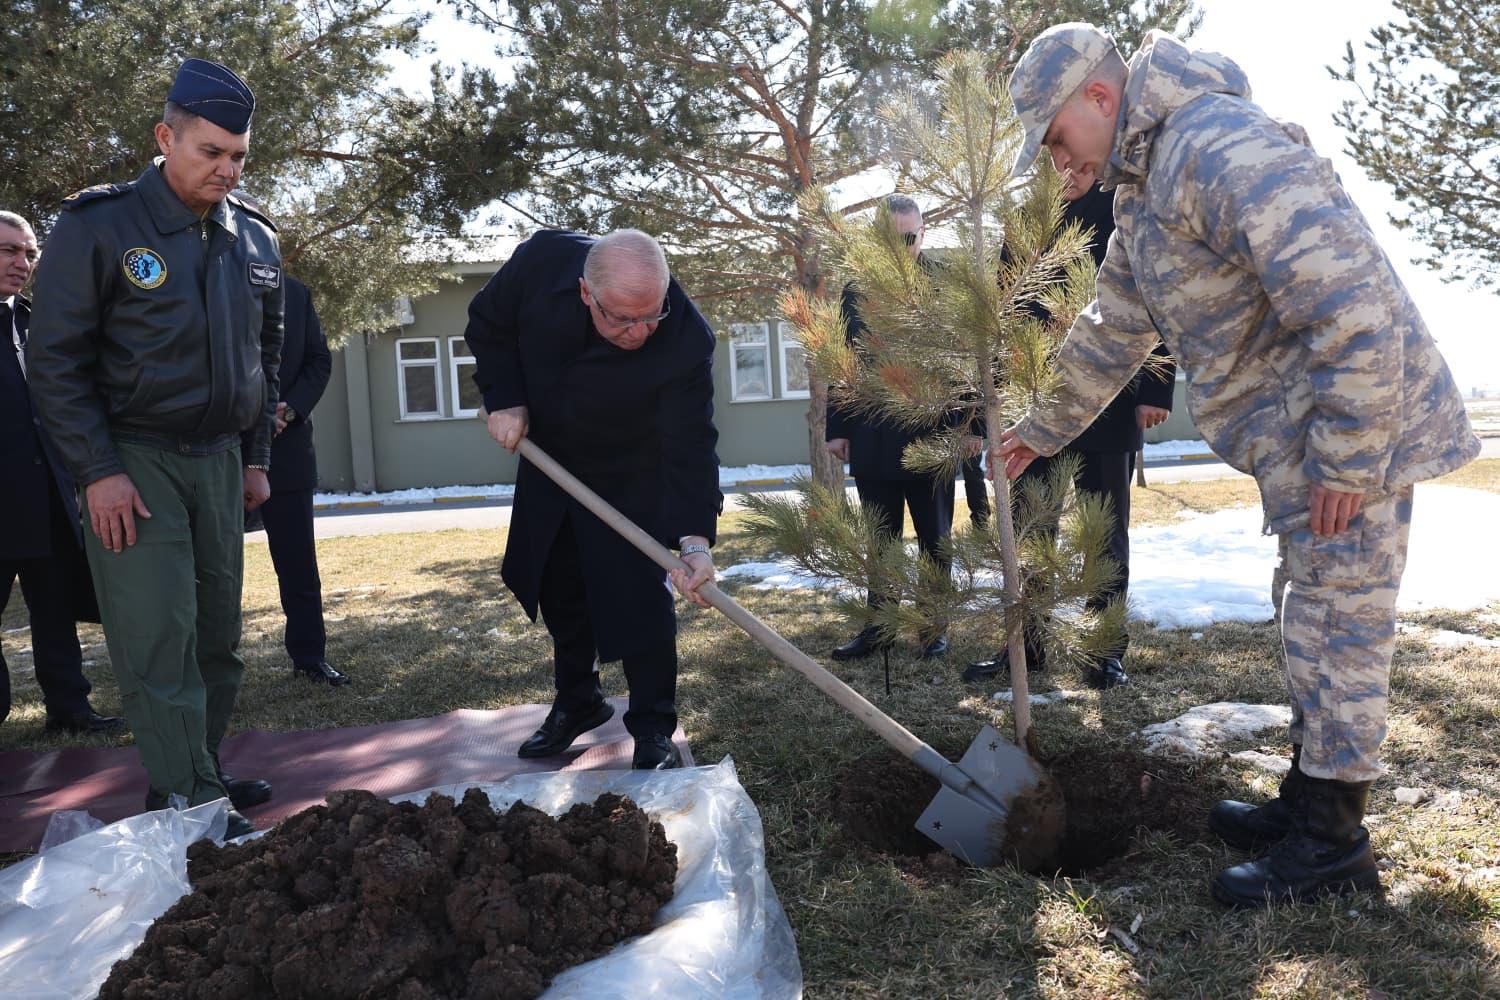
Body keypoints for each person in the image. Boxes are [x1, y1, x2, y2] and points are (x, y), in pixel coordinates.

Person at [998, 24, 1478, 907]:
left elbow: (1350, 301)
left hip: (1348, 436)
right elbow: (1113, 329)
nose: (1055, 163)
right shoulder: (1144, 189)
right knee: (1309, 613)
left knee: (1339, 625)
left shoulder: (1214, 148)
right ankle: (1310, 800)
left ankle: (1335, 849)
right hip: (1301, 442)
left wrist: (1344, 459)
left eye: (1056, 139)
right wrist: (1042, 428)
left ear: (1100, 100)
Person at [28, 59, 286, 839]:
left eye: (239, 155)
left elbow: (263, 355)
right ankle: (190, 797)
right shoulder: (98, 226)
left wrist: (256, 457)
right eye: (211, 151)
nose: (227, 169)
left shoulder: (254, 234)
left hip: (217, 460)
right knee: (157, 635)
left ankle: (192, 774)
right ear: (164, 137)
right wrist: (97, 471)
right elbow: (56, 362)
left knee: (216, 637)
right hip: (132, 457)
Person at [465, 229, 721, 770]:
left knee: (640, 598)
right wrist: (505, 399)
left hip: (634, 467)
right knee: (557, 582)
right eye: (622, 319)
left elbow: (692, 443)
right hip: (551, 455)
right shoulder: (539, 264)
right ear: (586, 293)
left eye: (650, 315)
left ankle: (653, 724)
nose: (639, 332)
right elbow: (488, 325)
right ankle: (578, 700)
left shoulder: (685, 338)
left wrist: (695, 539)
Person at [963, 182, 1175, 690]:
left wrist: (1158, 388)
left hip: (1111, 398)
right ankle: (1026, 646)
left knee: (1103, 534)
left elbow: (1157, 295)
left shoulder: (1122, 206)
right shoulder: (1025, 218)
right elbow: (1001, 314)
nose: (1063, 164)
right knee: (1031, 531)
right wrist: (983, 416)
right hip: (1033, 408)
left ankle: (1103, 651)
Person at [0, 211, 125, 735]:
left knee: (55, 607)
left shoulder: (35, 321)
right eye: (9, 251)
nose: (22, 263)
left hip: (48, 491)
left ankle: (70, 707)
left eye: (29, 253)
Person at [827, 195, 961, 662]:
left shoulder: (945, 285)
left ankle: (932, 627)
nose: (903, 246)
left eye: (910, 237)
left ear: (923, 234)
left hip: (931, 434)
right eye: (892, 237)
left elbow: (967, 365)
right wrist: (837, 427)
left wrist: (970, 427)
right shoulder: (854, 290)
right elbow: (841, 364)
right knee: (879, 538)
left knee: (934, 538)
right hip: (873, 434)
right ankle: (880, 628)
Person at [258, 275, 346, 686]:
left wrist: (287, 410)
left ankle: (310, 658)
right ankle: (204, 666)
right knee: (208, 569)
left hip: (286, 448)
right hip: (215, 448)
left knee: (298, 565)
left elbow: (318, 360)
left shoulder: (295, 292)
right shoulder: (201, 278)